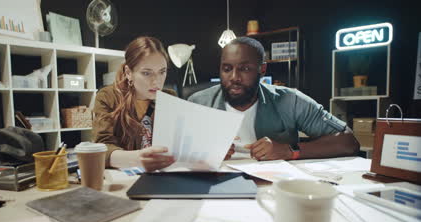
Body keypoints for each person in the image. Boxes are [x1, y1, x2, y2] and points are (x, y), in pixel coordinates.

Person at [188, 37, 359, 161]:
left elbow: (348, 141)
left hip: (273, 186)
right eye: (227, 69)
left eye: (244, 69)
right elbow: (171, 151)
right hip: (216, 184)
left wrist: (290, 151)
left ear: (262, 69)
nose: (234, 77)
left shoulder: (290, 101)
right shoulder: (198, 102)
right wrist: (202, 152)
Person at [93, 36, 176, 171]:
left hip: (163, 175)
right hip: (124, 180)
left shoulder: (169, 98)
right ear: (128, 73)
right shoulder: (108, 97)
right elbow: (102, 149)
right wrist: (138, 159)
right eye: (146, 73)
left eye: (162, 72)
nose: (157, 81)